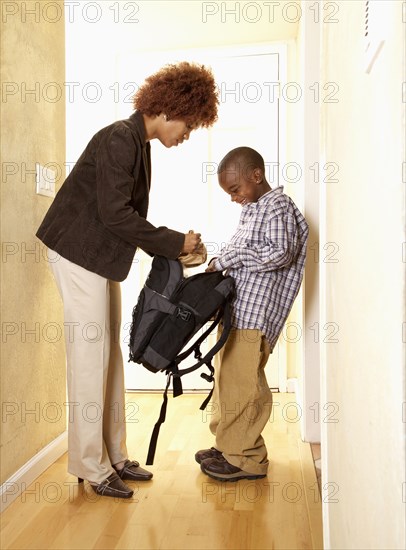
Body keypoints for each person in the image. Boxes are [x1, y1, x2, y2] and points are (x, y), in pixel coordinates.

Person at [36, 61, 218, 499]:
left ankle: (113, 455)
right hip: (77, 252)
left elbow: (123, 216)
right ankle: (91, 465)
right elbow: (116, 214)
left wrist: (175, 246)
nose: (186, 135)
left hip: (98, 257)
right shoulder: (121, 137)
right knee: (89, 357)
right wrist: (175, 242)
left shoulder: (139, 143)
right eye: (188, 126)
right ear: (170, 109)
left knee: (108, 356)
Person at [196, 146, 309, 482]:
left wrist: (232, 257)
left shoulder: (278, 206)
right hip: (238, 313)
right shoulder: (254, 207)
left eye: (235, 190)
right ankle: (228, 443)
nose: (233, 198)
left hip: (256, 317)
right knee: (228, 381)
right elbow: (240, 248)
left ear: (256, 176)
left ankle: (246, 458)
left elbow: (279, 254)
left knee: (244, 385)